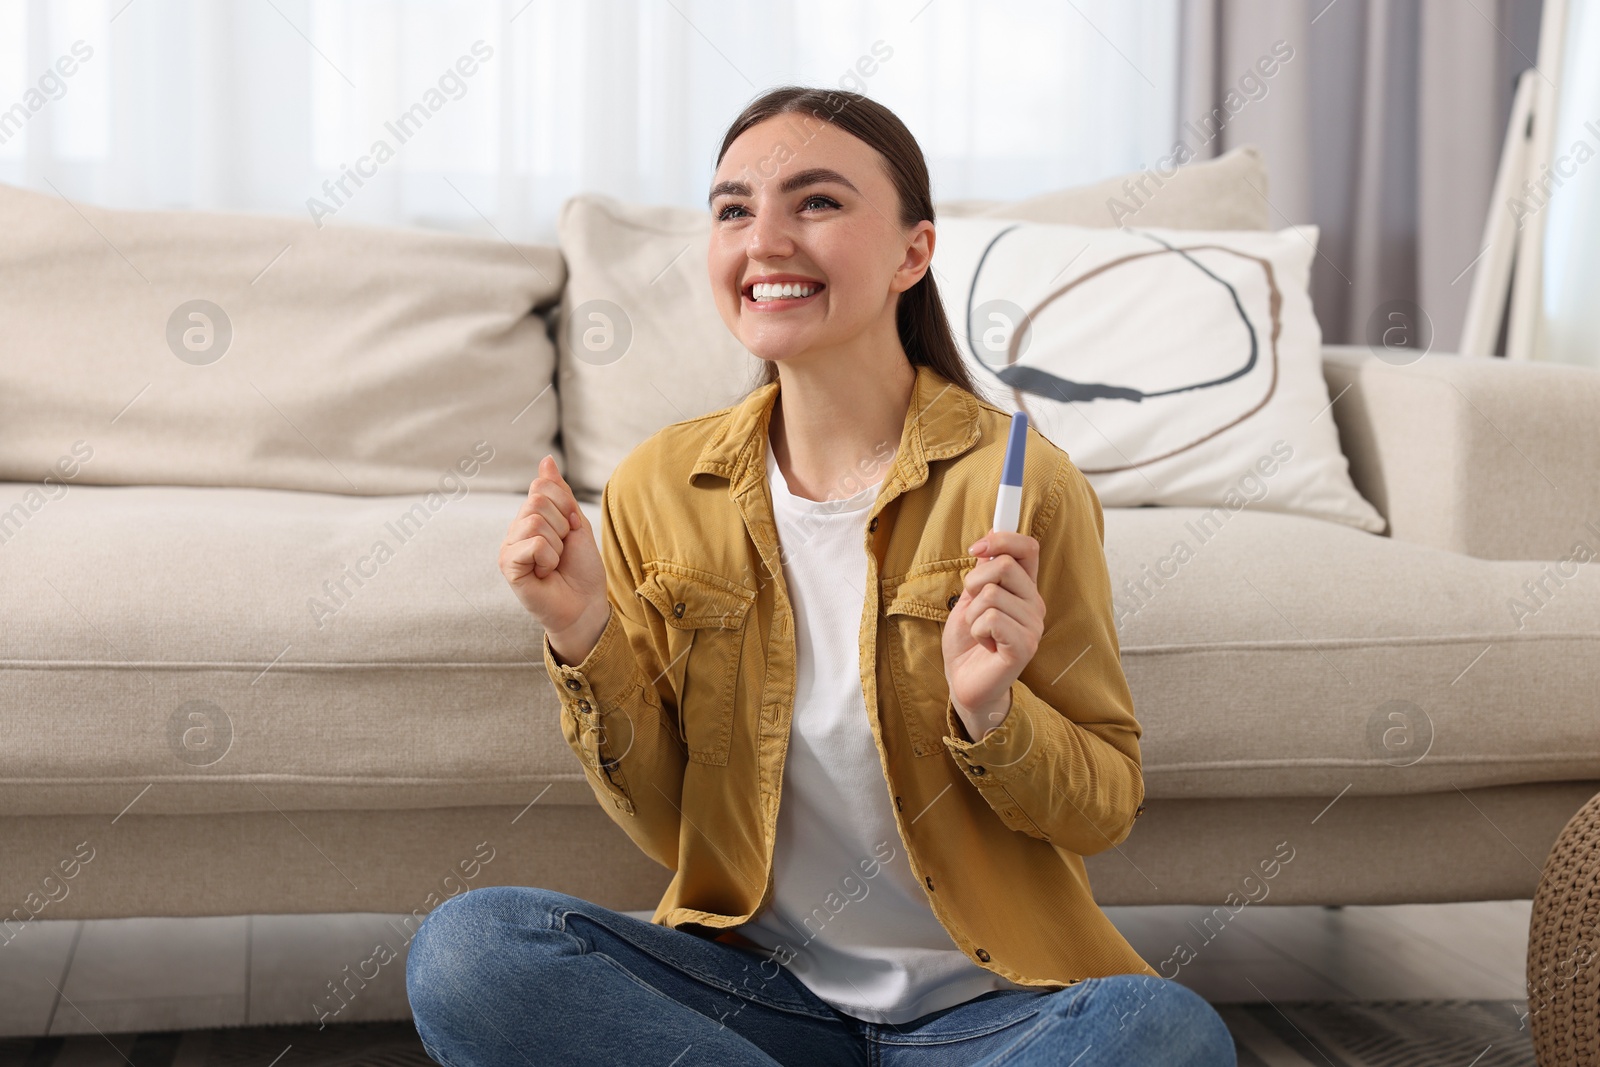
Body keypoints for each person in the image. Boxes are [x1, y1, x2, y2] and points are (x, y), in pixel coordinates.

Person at [406, 85, 1236, 1066]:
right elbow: (675, 826)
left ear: (912, 253)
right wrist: (585, 633)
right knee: (469, 951)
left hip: (988, 1014)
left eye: (816, 202)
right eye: (732, 209)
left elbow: (1102, 805)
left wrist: (994, 714)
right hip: (753, 1000)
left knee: (1162, 1032)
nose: (765, 239)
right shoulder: (656, 488)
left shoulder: (1019, 485)